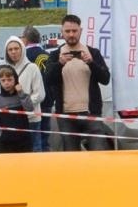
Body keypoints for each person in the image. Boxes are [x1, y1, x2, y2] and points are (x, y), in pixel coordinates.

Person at [42, 13, 111, 151]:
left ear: (81, 31)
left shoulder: (93, 53)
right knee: (72, 157)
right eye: (67, 31)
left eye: (74, 31)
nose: (71, 34)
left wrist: (91, 63)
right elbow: (47, 80)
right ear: (62, 32)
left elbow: (105, 79)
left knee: (99, 154)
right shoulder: (55, 55)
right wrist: (59, 64)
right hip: (66, 115)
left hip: (91, 113)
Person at [2, 36, 45, 146]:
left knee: (35, 149)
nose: (13, 52)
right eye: (10, 49)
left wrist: (23, 104)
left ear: (22, 49)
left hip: (31, 118)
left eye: (16, 48)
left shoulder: (32, 68)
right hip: (12, 119)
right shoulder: (5, 69)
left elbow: (40, 94)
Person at [0, 66, 35, 153]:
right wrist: (0, 135)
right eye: (3, 80)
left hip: (24, 140)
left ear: (15, 80)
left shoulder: (22, 95)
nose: (6, 83)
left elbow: (30, 109)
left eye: (9, 80)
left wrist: (21, 93)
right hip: (6, 142)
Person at [22, 26, 49, 150]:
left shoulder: (22, 57)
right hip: (47, 100)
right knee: (45, 137)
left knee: (32, 141)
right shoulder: (47, 55)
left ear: (26, 39)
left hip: (30, 103)